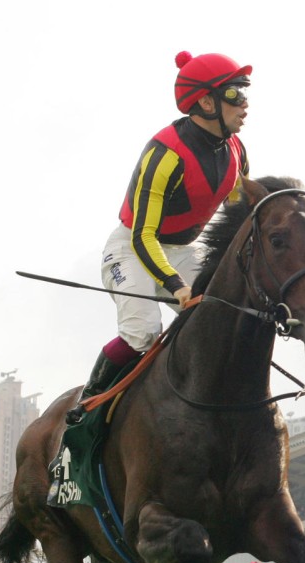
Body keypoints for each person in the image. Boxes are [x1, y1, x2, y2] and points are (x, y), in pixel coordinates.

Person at [66, 50, 253, 424]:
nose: (245, 103)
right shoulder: (165, 154)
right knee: (143, 332)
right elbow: (142, 235)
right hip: (133, 249)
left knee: (221, 316)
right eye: (235, 93)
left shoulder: (236, 152)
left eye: (245, 91)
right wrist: (175, 284)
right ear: (205, 100)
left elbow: (234, 221)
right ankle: (88, 404)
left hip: (183, 249)